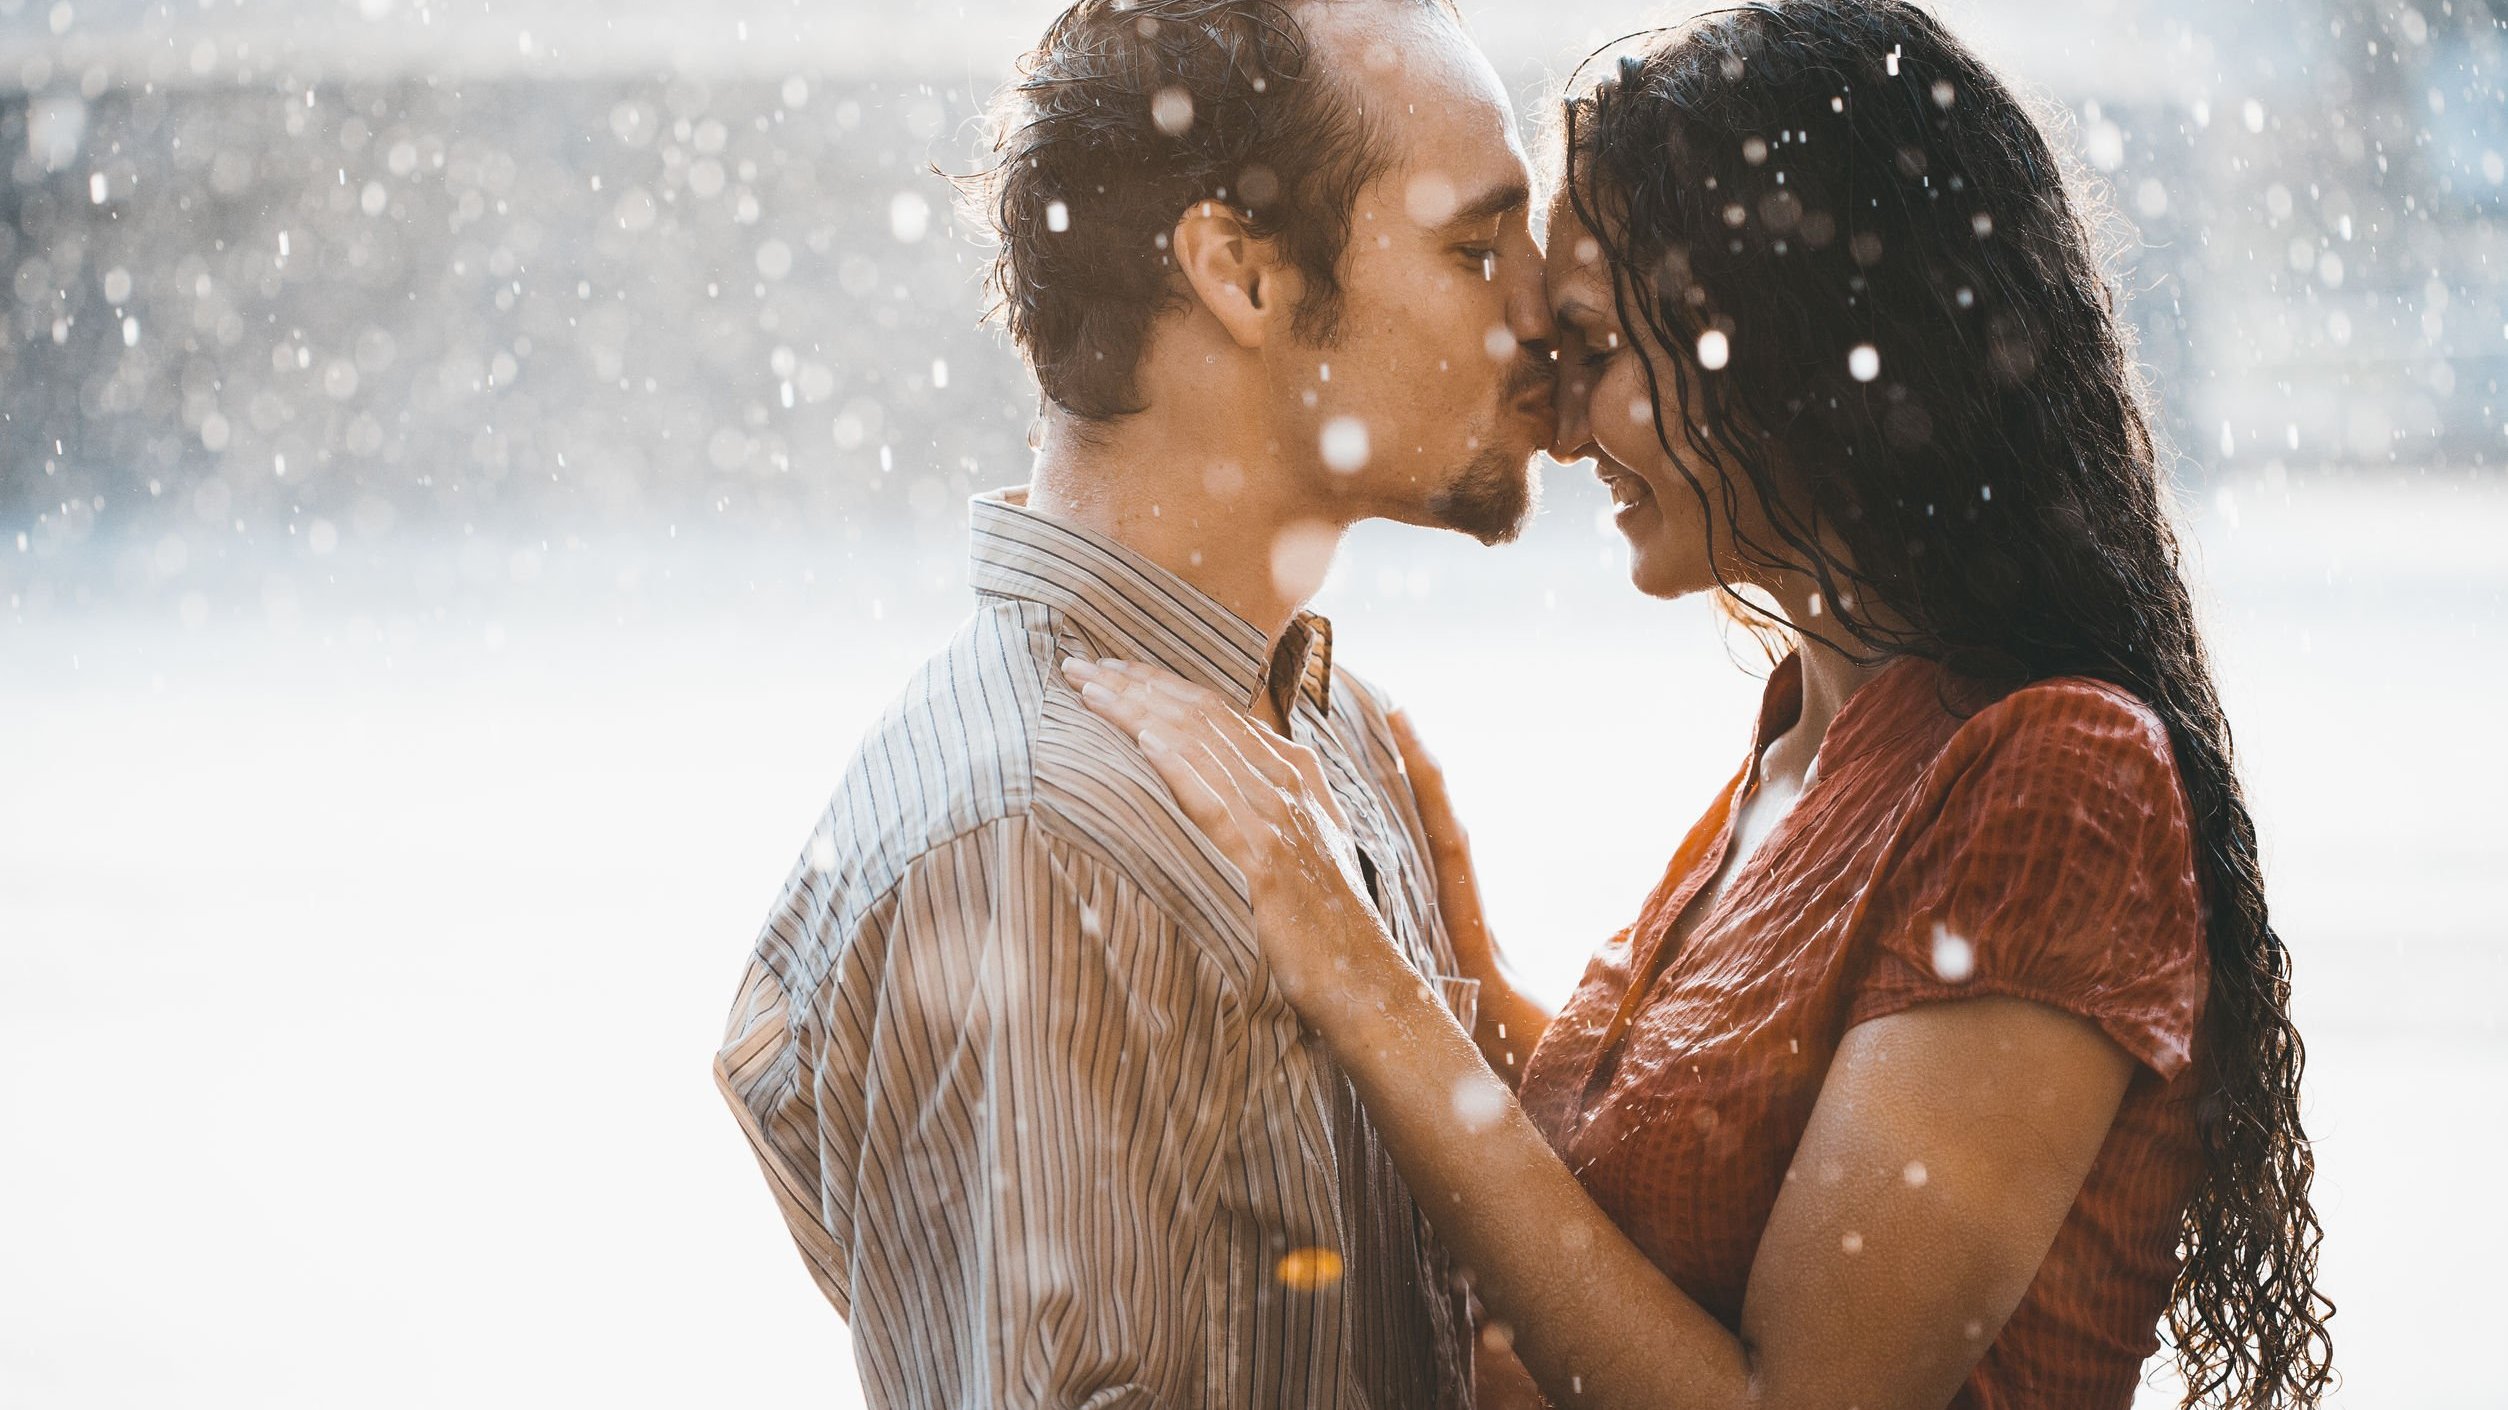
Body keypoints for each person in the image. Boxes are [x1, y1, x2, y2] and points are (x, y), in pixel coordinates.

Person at [1065, 3, 2335, 1407]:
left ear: (1793, 349)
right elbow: (1689, 1172)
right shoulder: (1812, 732)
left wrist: (1360, 971)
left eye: (1599, 350)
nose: (1553, 421)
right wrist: (1451, 962)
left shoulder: (2056, 775)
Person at [710, 0, 1556, 1404]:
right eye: (1476, 249)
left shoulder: (1325, 730)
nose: (1544, 308)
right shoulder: (1039, 839)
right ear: (1241, 271)